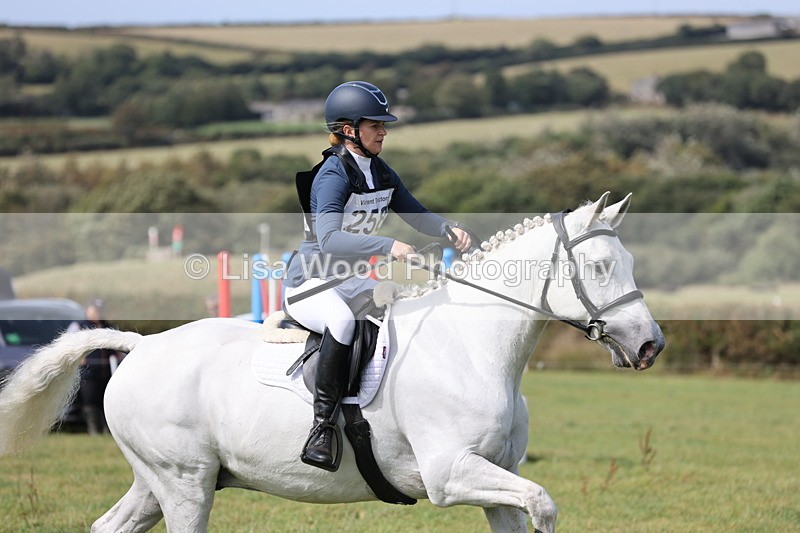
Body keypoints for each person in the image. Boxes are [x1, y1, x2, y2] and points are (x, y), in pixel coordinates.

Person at [283, 81, 472, 471]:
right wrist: (388, 247)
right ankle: (322, 428)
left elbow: (415, 212)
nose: (384, 131)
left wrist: (446, 228)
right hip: (312, 282)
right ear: (349, 130)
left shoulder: (380, 171)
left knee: (407, 305)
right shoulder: (333, 175)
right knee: (340, 322)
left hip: (351, 279)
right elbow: (330, 239)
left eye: (383, 125)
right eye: (376, 125)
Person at [67, 299, 118, 435]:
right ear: (87, 311)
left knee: (106, 402)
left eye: (99, 311)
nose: (97, 313)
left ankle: (109, 431)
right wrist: (78, 357)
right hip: (88, 373)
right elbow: (69, 345)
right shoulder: (78, 326)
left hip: (106, 372)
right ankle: (94, 430)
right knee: (90, 402)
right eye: (95, 310)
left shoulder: (109, 327)